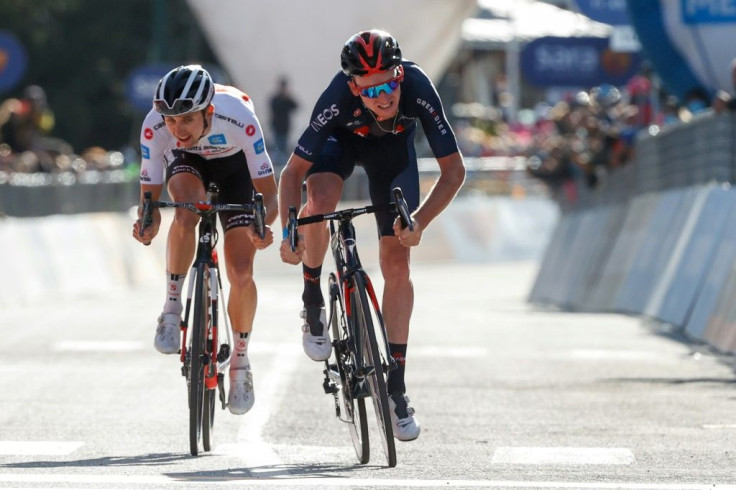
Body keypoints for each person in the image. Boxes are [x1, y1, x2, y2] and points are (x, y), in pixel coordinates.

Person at [278, 30, 465, 441]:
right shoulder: (336, 99)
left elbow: (454, 171)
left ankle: (396, 387)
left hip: (392, 154)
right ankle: (312, 298)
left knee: (397, 261)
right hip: (338, 146)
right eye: (372, 88)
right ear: (353, 88)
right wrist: (290, 230)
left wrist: (420, 221)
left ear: (400, 74)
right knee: (321, 199)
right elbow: (292, 174)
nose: (384, 97)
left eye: (390, 82)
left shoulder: (417, 87)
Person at [131, 65, 278, 416]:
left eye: (186, 120)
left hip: (236, 170)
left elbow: (269, 196)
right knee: (185, 211)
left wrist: (262, 227)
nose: (177, 129)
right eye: (171, 120)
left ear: (208, 111)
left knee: (241, 270)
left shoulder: (239, 116)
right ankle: (171, 309)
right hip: (188, 165)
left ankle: (240, 361)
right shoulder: (155, 125)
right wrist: (146, 223)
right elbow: (149, 197)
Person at [268, 76, 299, 167]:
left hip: (285, 126)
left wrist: (288, 97)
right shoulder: (276, 98)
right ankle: (279, 163)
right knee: (278, 145)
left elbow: (296, 106)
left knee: (284, 145)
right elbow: (272, 108)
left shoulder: (287, 99)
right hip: (277, 126)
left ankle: (283, 163)